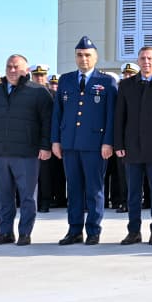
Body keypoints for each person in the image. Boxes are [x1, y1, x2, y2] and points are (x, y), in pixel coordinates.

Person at [0, 55, 53, 245]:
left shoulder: (39, 92)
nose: (12, 70)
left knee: (27, 197)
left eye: (16, 67)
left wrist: (45, 146)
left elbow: (48, 122)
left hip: (27, 153)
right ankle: (5, 232)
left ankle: (25, 233)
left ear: (25, 70)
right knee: (3, 196)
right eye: (9, 66)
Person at [51, 36, 118, 246]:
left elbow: (111, 116)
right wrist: (55, 140)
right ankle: (74, 230)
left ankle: (93, 230)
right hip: (69, 144)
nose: (83, 59)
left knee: (94, 189)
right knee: (73, 189)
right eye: (79, 55)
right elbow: (57, 113)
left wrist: (108, 142)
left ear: (96, 57)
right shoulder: (66, 80)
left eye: (87, 55)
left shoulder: (106, 82)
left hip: (95, 145)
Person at [114, 45, 152, 245]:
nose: (146, 62)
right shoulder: (126, 85)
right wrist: (119, 143)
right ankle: (133, 231)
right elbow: (119, 117)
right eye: (142, 58)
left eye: (150, 58)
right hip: (132, 147)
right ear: (138, 61)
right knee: (133, 193)